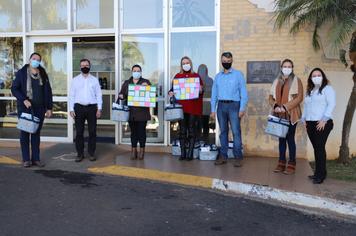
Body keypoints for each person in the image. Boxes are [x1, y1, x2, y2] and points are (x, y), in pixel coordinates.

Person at [11, 52, 53, 168]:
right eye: (34, 58)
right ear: (30, 60)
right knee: (24, 133)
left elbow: (48, 92)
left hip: (40, 109)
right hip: (25, 108)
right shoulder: (22, 73)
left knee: (36, 133)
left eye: (38, 59)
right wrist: (24, 99)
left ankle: (36, 159)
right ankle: (26, 159)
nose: (36, 60)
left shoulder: (43, 73)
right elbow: (14, 89)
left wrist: (49, 107)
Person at [211, 52, 248, 167]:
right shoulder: (218, 76)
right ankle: (223, 156)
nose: (226, 63)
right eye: (224, 61)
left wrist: (242, 108)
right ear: (221, 61)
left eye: (228, 61)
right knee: (223, 132)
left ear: (231, 61)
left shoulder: (238, 75)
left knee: (236, 132)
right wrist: (213, 109)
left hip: (234, 106)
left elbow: (244, 94)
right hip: (221, 106)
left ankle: (238, 157)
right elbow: (214, 94)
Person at [269, 59, 303, 174]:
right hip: (279, 114)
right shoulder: (277, 81)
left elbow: (299, 97)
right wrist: (275, 106)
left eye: (289, 66)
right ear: (281, 67)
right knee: (281, 139)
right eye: (285, 66)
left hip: (291, 114)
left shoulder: (297, 81)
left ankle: (292, 163)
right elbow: (270, 97)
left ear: (292, 68)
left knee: (290, 139)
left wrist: (285, 107)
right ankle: (281, 163)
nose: (287, 68)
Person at [302, 68, 335, 184]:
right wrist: (304, 119)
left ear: (323, 76)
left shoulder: (327, 89)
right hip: (310, 123)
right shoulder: (309, 90)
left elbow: (332, 104)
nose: (316, 77)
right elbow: (306, 106)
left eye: (318, 75)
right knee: (317, 148)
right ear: (311, 78)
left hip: (323, 123)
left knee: (319, 148)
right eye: (314, 75)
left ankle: (320, 175)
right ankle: (319, 172)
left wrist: (324, 119)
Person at [168, 56, 203, 161]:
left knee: (192, 130)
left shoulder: (196, 76)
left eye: (187, 63)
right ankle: (183, 153)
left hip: (193, 108)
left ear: (190, 64)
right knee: (182, 131)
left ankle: (190, 153)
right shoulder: (177, 76)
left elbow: (201, 91)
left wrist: (200, 89)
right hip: (181, 109)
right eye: (184, 63)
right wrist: (170, 93)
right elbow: (172, 90)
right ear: (181, 65)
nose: (186, 65)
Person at [69, 59, 102, 162]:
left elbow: (99, 95)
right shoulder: (75, 80)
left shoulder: (94, 80)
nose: (85, 67)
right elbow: (71, 96)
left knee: (92, 132)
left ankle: (91, 153)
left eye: (86, 65)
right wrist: (71, 109)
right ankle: (80, 154)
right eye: (83, 65)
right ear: (80, 67)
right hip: (78, 108)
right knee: (79, 132)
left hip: (92, 108)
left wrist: (99, 108)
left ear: (89, 66)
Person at [117, 65, 151, 160]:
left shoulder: (146, 82)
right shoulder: (127, 83)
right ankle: (133, 150)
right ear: (132, 72)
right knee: (133, 133)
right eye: (134, 70)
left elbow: (151, 96)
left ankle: (142, 151)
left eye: (138, 70)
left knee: (141, 133)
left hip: (142, 113)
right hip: (131, 113)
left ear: (141, 72)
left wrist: (147, 88)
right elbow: (122, 94)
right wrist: (121, 96)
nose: (136, 72)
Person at [198, 64, 213, 142]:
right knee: (202, 125)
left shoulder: (210, 80)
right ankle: (202, 140)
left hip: (205, 106)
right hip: (200, 106)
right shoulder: (196, 80)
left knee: (203, 125)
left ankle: (203, 141)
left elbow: (212, 93)